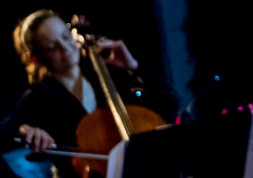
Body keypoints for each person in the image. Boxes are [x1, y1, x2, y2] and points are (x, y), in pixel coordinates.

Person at [0, 9, 178, 178]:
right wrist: (24, 130)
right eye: (52, 46)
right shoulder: (39, 95)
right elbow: (6, 134)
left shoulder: (104, 78)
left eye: (65, 37)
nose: (65, 47)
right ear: (36, 57)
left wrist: (133, 66)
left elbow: (168, 102)